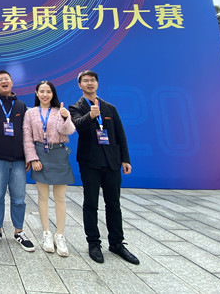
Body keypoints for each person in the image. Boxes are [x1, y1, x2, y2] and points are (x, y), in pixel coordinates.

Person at [69, 70, 139, 265]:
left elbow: (120, 134)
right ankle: (93, 243)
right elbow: (77, 126)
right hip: (90, 162)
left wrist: (125, 159)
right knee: (91, 203)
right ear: (80, 85)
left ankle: (117, 243)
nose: (89, 83)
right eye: (85, 81)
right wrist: (90, 116)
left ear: (97, 84)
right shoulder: (76, 107)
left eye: (92, 80)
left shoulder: (109, 108)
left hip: (111, 162)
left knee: (113, 204)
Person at [0, 70, 35, 252]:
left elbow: (27, 132)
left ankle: (19, 232)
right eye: (0, 80)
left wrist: (29, 156)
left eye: (6, 79)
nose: (4, 82)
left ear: (12, 82)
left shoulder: (20, 105)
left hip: (19, 160)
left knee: (19, 199)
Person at [23, 81, 75, 256]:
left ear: (53, 94)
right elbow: (27, 137)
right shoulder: (30, 113)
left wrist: (66, 117)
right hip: (40, 155)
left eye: (49, 92)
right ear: (36, 93)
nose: (45, 95)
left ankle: (60, 235)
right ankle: (46, 233)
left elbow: (68, 131)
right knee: (42, 197)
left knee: (60, 198)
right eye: (42, 91)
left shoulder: (60, 111)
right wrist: (32, 158)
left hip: (59, 154)